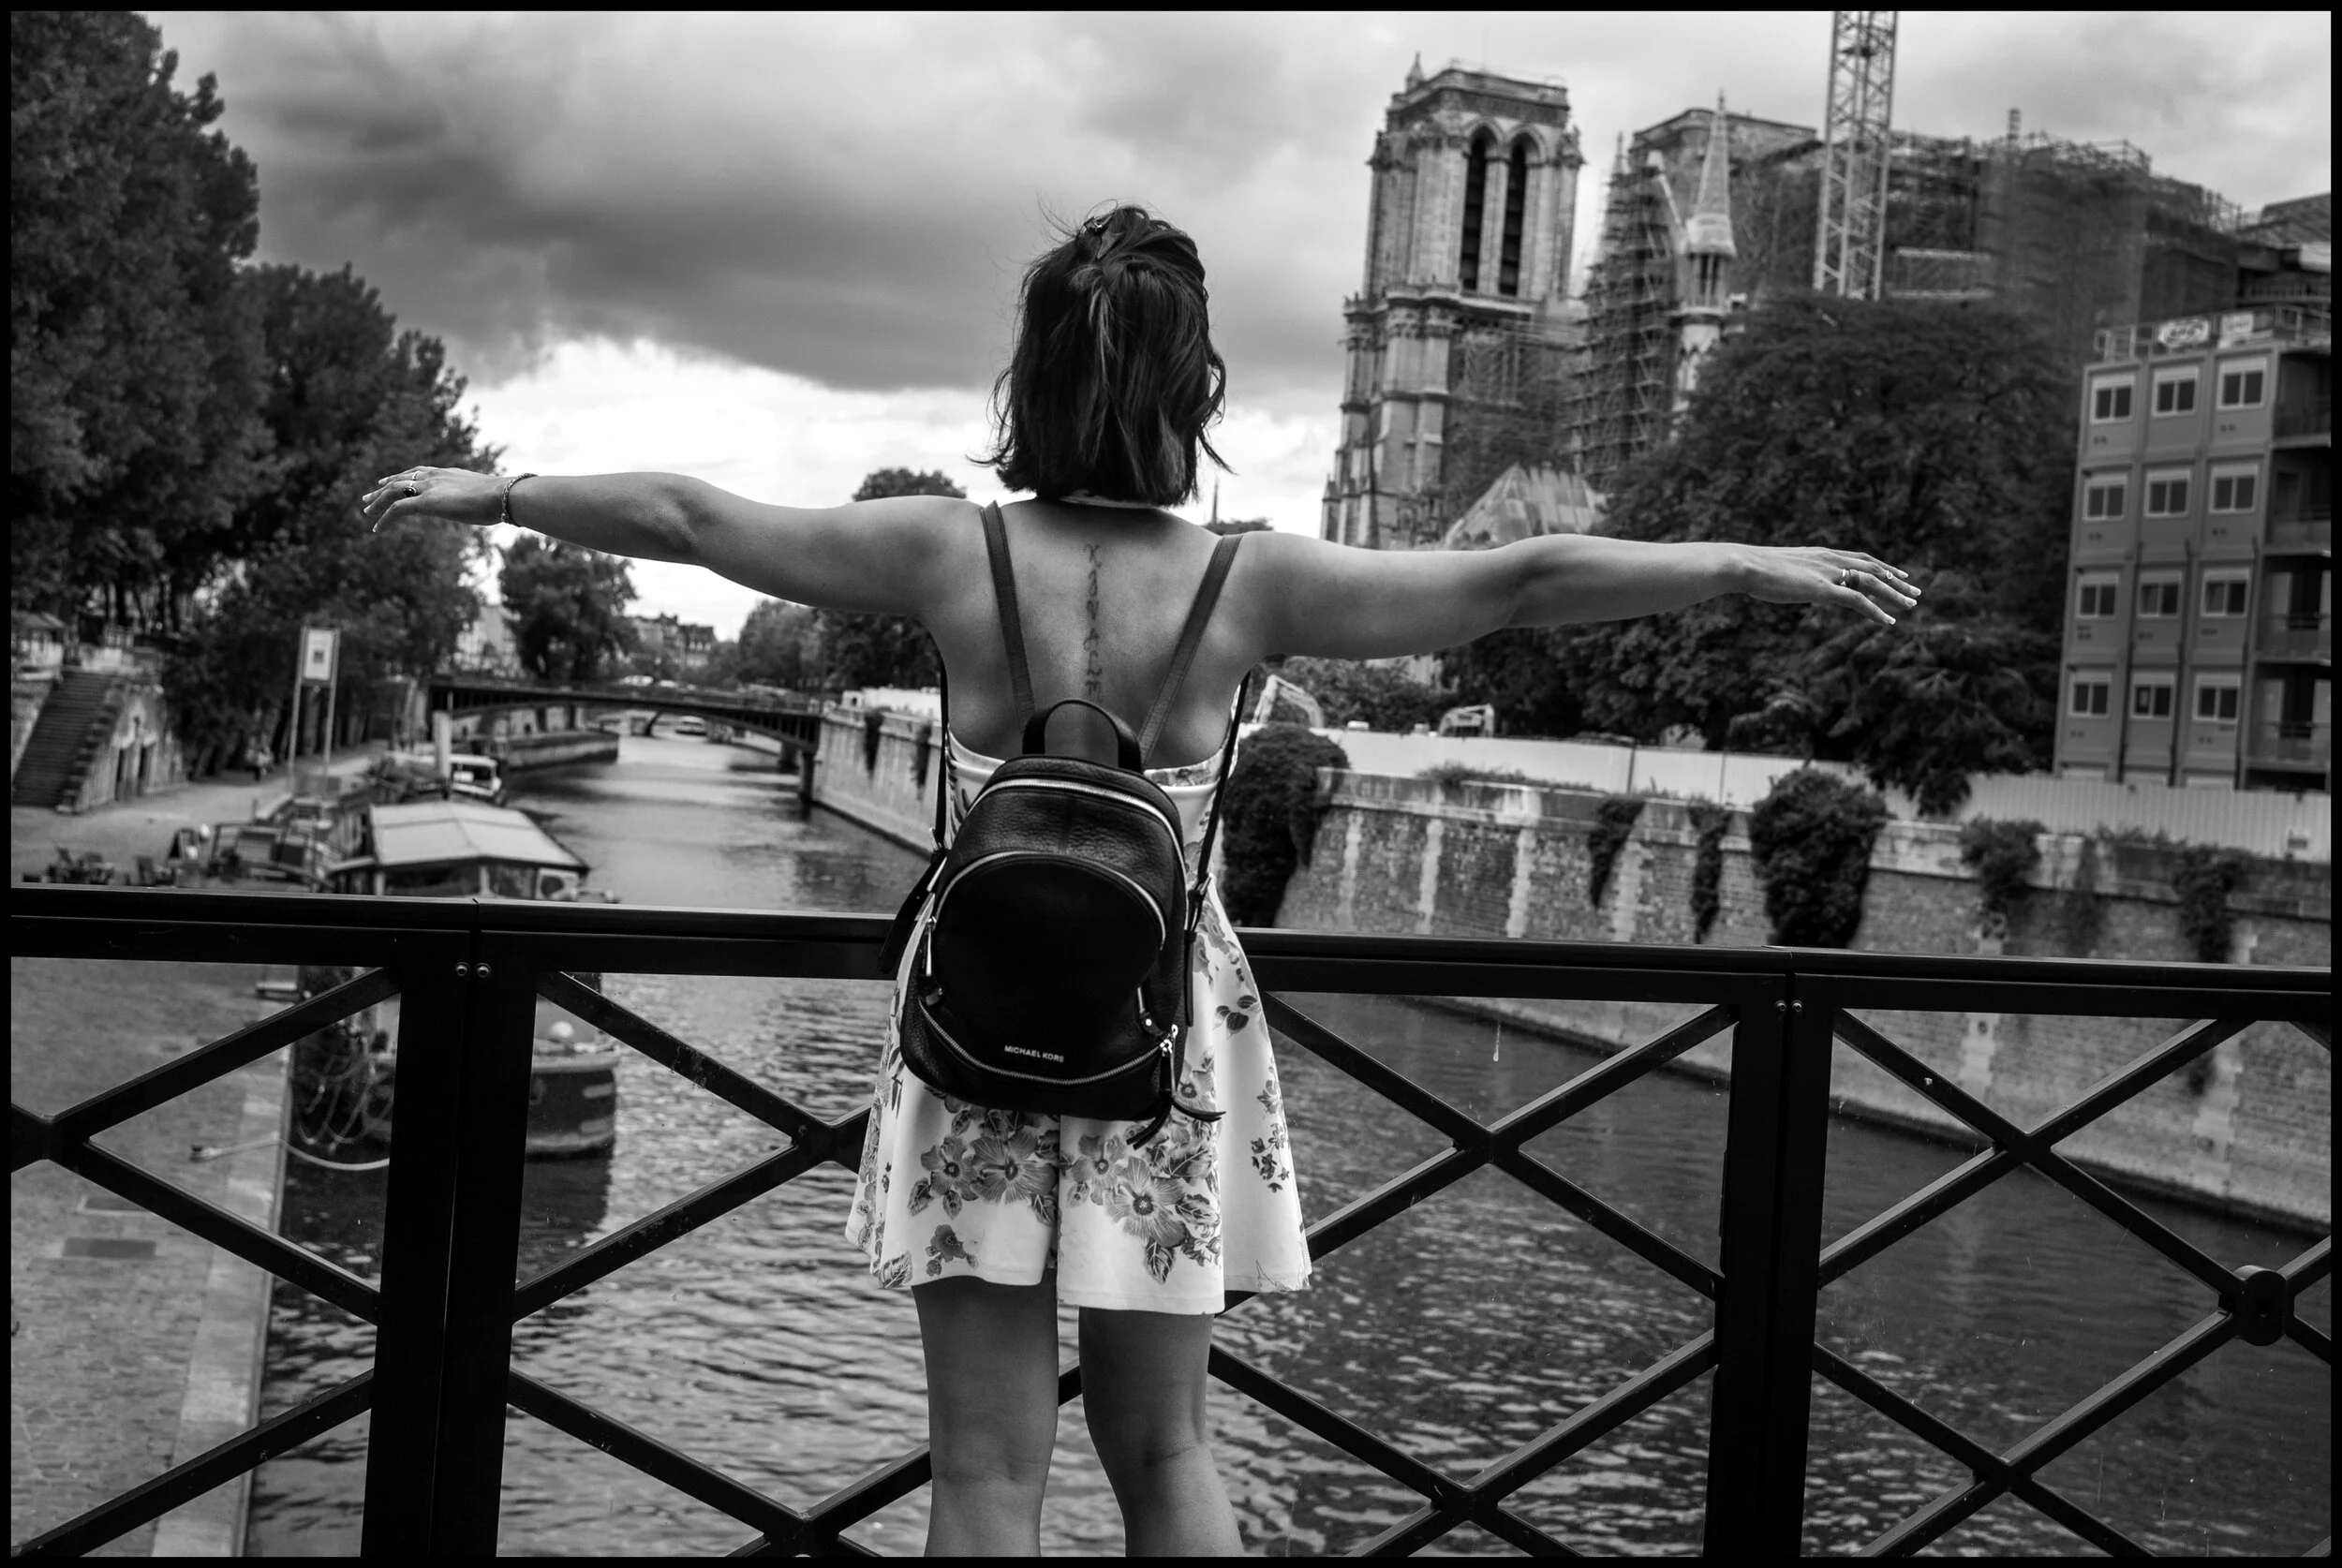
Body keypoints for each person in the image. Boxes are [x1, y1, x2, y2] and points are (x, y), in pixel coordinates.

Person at [363, 203, 1917, 1556]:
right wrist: (1742, 563)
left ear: (1028, 382)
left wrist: (497, 495)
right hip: (1164, 1041)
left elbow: (695, 518)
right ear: (1196, 393)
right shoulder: (1255, 581)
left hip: (972, 1039)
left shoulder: (941, 551)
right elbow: (1518, 582)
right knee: (1169, 1454)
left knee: (981, 1470)